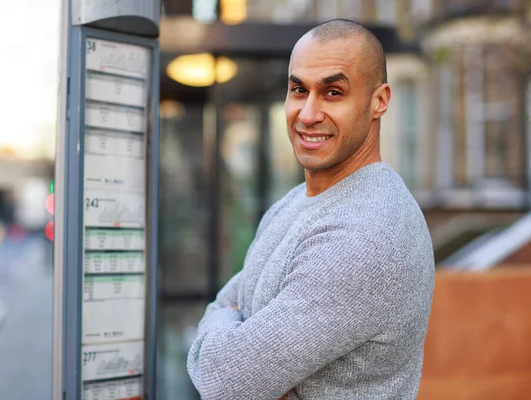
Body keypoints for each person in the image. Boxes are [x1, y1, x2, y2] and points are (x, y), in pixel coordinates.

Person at [186, 19, 435, 400]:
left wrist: (231, 326)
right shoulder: (296, 200)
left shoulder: (364, 233)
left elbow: (224, 382)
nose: (307, 114)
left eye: (333, 92)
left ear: (379, 101)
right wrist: (231, 325)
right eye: (299, 90)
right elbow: (224, 304)